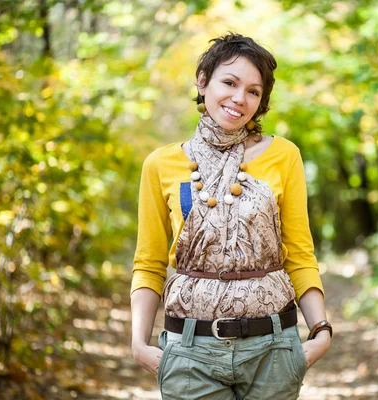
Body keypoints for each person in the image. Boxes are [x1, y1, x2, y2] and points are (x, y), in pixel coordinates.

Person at [130, 33, 332, 400]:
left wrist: (321, 331)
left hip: (273, 349)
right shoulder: (160, 164)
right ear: (202, 80)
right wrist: (138, 344)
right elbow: (149, 263)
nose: (240, 98)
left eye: (254, 91)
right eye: (230, 82)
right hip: (189, 349)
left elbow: (300, 253)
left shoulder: (284, 156)